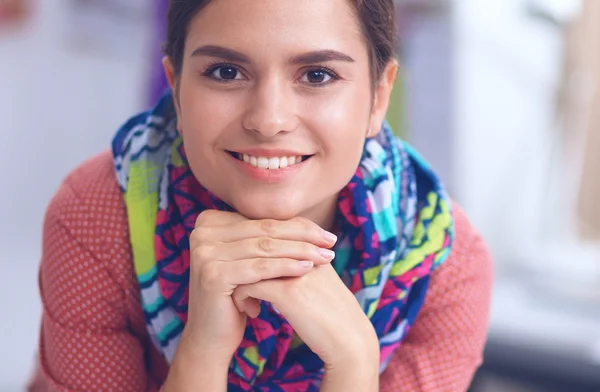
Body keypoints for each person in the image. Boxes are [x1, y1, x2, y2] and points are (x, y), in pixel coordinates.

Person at [28, 0, 493, 391]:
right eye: (226, 71)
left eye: (317, 75)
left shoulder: (443, 264)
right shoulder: (97, 217)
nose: (268, 119)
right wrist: (203, 351)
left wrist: (353, 362)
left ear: (378, 96)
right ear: (175, 87)